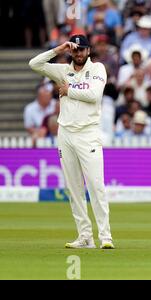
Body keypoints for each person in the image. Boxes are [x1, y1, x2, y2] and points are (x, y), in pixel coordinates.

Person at [29, 35, 114, 249]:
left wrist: (69, 91)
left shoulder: (97, 69)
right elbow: (34, 64)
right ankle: (85, 237)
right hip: (65, 133)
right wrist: (58, 49)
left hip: (88, 133)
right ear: (71, 51)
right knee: (74, 188)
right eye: (74, 50)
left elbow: (94, 95)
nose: (78, 53)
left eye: (81, 49)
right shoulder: (62, 70)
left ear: (88, 50)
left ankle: (105, 236)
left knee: (96, 186)